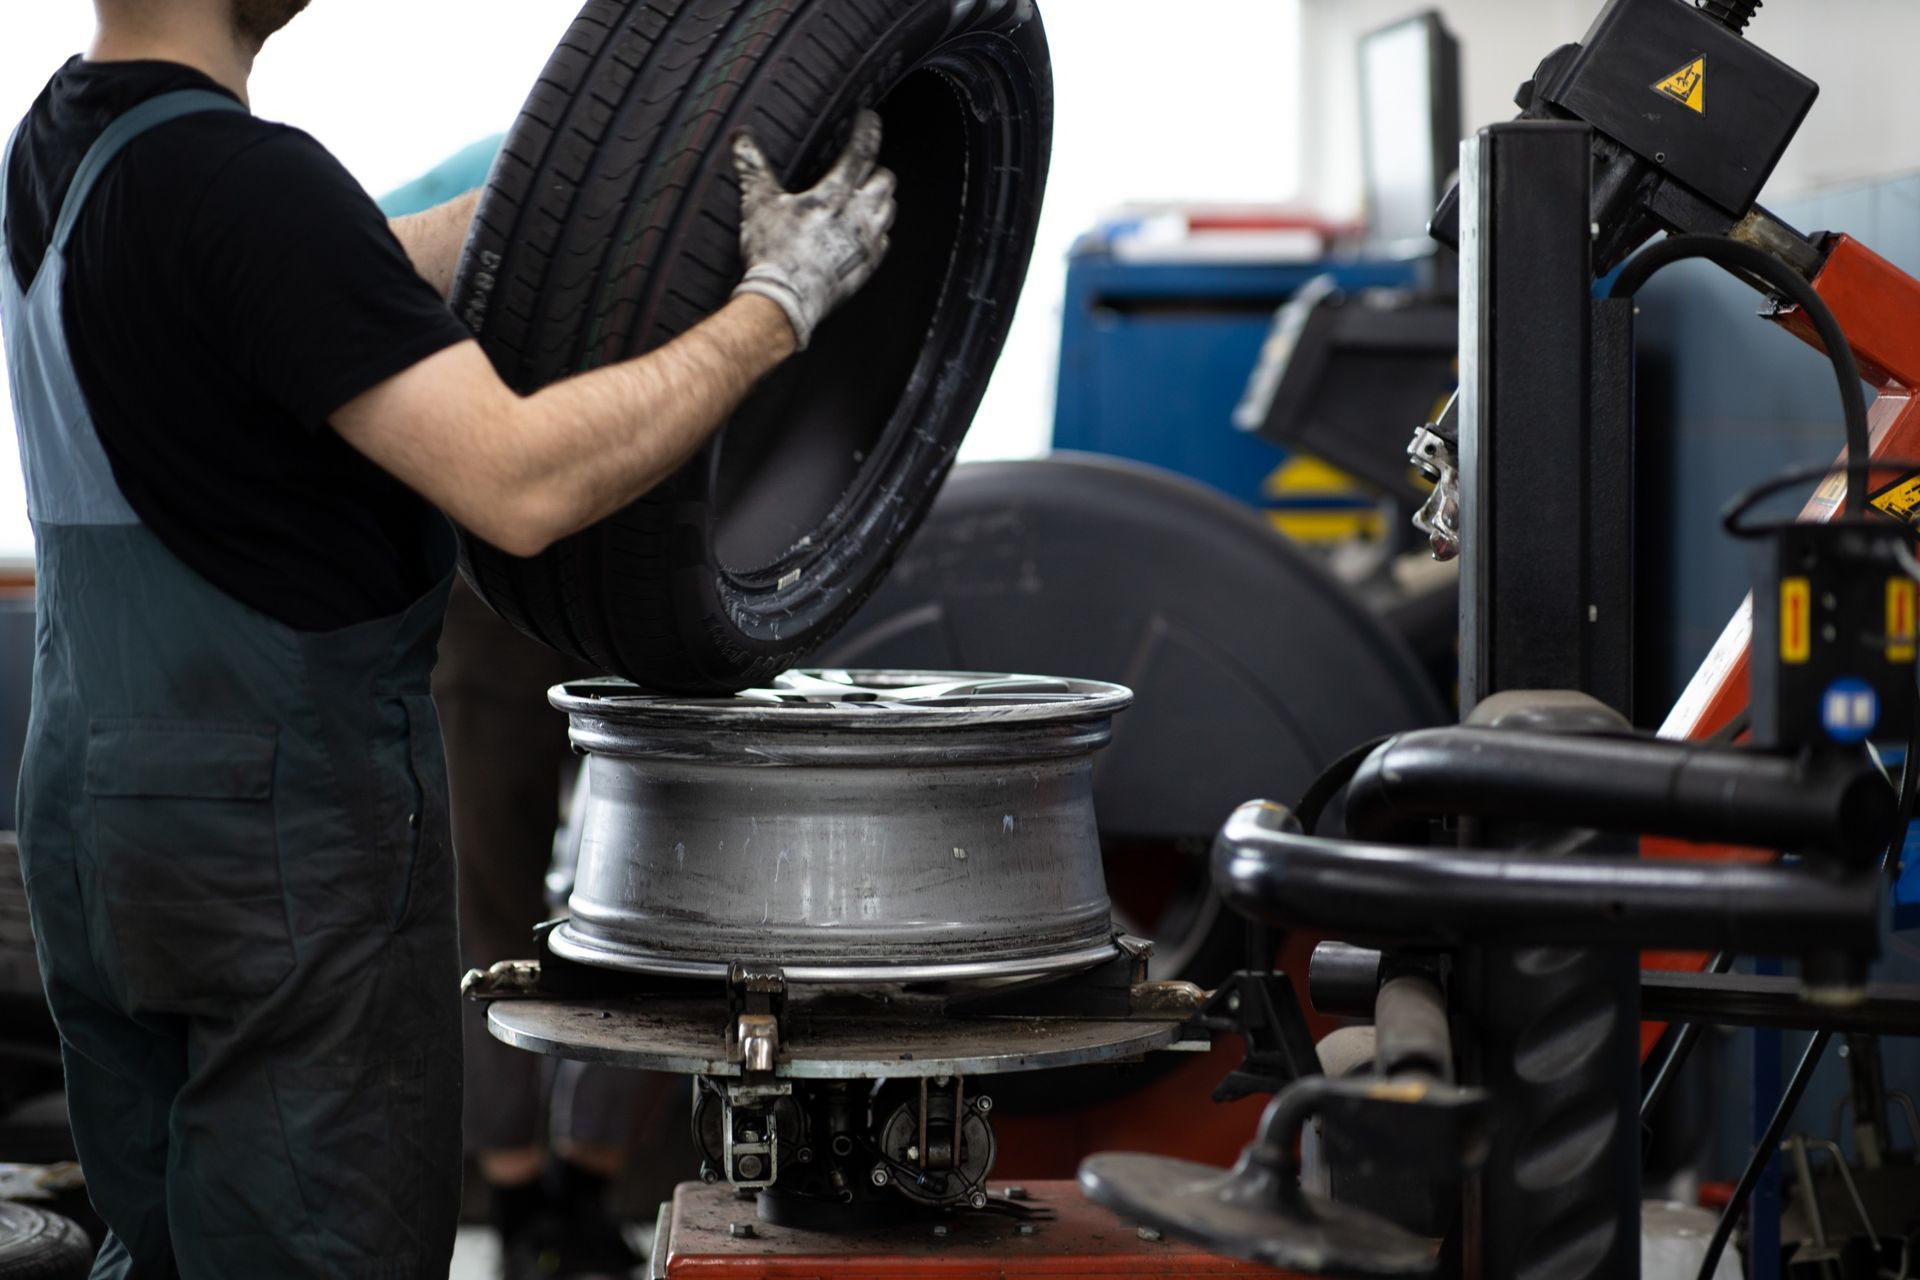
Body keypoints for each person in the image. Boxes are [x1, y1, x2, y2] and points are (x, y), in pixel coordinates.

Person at [0, 0, 897, 1272]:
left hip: (99, 818)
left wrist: (596, 207)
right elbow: (518, 487)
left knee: (157, 1241)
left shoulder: (62, 147)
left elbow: (324, 277)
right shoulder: (244, 178)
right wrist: (775, 305)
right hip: (275, 839)